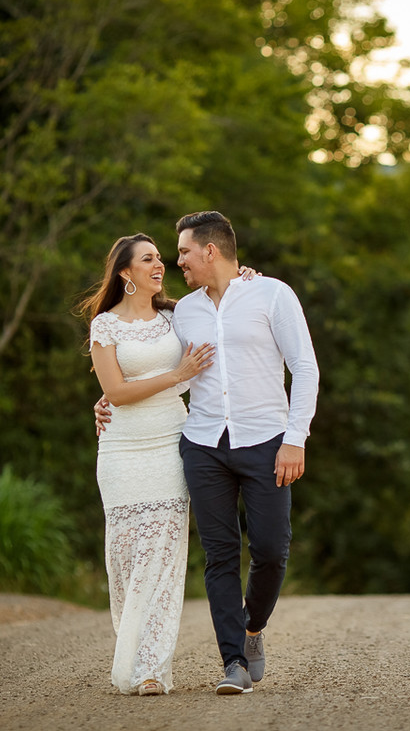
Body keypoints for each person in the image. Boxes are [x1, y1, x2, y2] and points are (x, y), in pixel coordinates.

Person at [96, 211, 319, 696]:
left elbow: (305, 368)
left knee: (270, 549)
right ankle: (233, 662)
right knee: (219, 555)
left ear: (210, 251)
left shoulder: (273, 295)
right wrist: (107, 397)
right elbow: (144, 358)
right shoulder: (184, 312)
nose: (177, 263)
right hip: (202, 445)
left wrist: (295, 438)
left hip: (266, 442)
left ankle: (252, 629)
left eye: (183, 253)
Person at [77, 232, 215, 697]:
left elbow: (227, 295)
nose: (160, 265)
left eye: (162, 258)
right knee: (126, 557)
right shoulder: (105, 326)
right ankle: (131, 652)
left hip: (171, 441)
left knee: (165, 556)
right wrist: (177, 375)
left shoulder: (178, 315)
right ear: (125, 272)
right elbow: (115, 392)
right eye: (149, 259)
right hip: (121, 448)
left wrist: (249, 276)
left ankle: (152, 667)